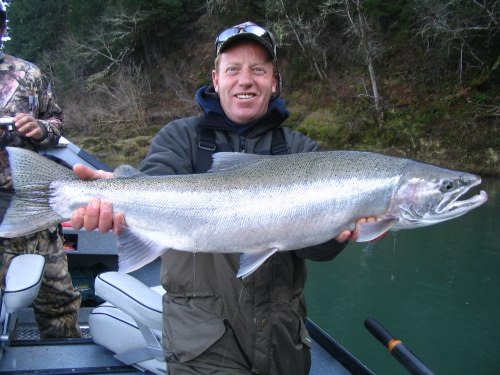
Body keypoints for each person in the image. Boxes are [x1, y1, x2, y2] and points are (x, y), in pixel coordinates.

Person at [71, 21, 373, 374]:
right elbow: (153, 186)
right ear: (216, 80)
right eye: (233, 69)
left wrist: (345, 227)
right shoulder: (180, 138)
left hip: (282, 338)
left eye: (258, 69)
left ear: (273, 82)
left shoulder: (300, 150)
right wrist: (116, 195)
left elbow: (315, 249)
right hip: (200, 339)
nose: (245, 80)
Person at [0, 4, 82, 339]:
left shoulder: (28, 75)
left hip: (29, 199)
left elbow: (56, 121)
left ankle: (64, 354)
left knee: (57, 297)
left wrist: (40, 129)